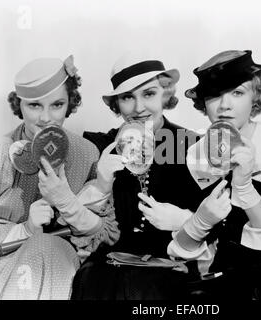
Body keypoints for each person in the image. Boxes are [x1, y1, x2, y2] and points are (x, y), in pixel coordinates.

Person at [166, 50, 261, 300]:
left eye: (237, 92)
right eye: (215, 95)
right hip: (226, 280)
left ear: (255, 98)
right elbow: (182, 249)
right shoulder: (195, 156)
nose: (225, 105)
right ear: (204, 102)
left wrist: (245, 189)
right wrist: (201, 221)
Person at [71, 54, 204, 300]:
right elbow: (75, 227)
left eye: (149, 94)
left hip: (171, 264)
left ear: (165, 93)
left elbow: (215, 222)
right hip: (109, 266)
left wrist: (184, 220)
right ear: (117, 103)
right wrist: (101, 185)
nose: (139, 107)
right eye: (128, 97)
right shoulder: (100, 146)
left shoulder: (192, 145)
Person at [0, 56, 119, 299]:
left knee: (48, 247)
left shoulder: (87, 152)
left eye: (57, 105)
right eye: (35, 105)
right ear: (19, 105)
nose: (46, 118)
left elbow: (105, 234)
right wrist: (26, 229)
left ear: (70, 103)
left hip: (59, 265)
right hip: (2, 267)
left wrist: (69, 200)